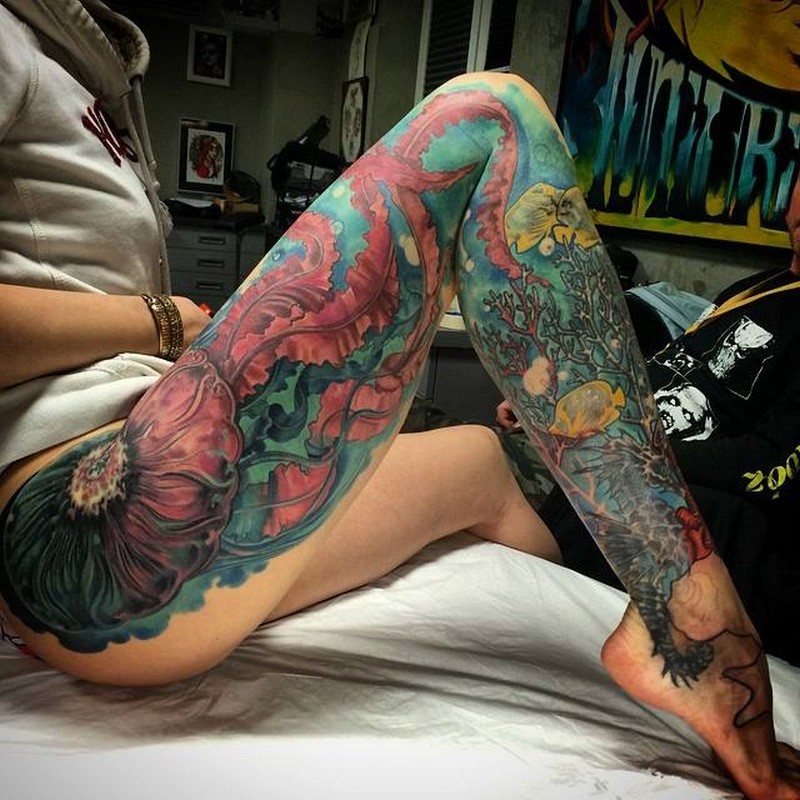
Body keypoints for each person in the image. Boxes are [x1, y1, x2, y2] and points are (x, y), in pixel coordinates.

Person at [0, 3, 797, 798]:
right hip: (80, 534)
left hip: (115, 490)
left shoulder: (86, 59)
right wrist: (162, 322)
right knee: (491, 117)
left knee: (478, 459)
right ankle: (696, 626)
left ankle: (616, 614)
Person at [497, 173, 800, 669]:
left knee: (472, 462)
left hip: (648, 494)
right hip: (606, 458)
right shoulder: (763, 285)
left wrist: (623, 444)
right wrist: (563, 400)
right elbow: (665, 372)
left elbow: (767, 465)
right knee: (470, 448)